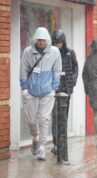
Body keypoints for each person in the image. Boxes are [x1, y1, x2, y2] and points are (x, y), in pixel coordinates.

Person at [20, 27, 62, 161]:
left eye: (44, 40)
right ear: (35, 40)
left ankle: (42, 146)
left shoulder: (54, 52)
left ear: (47, 40)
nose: (41, 42)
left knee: (44, 119)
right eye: (39, 40)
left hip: (47, 91)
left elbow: (57, 70)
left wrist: (54, 88)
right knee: (31, 120)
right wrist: (24, 88)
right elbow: (23, 70)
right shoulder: (27, 52)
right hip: (31, 91)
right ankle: (35, 137)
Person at [50, 29, 79, 159]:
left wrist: (72, 81)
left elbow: (75, 68)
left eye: (60, 42)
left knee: (64, 117)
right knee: (55, 116)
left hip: (66, 90)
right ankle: (56, 143)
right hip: (54, 90)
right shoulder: (50, 53)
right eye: (56, 42)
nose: (58, 45)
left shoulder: (69, 53)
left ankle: (62, 141)